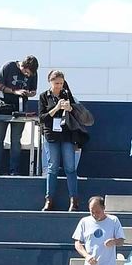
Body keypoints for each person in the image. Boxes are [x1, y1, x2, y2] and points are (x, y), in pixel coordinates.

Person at [38, 70, 85, 211]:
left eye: (61, 83)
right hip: (51, 135)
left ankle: (74, 200)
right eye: (56, 83)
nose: (59, 86)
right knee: (52, 167)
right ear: (50, 82)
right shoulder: (44, 96)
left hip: (66, 134)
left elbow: (76, 113)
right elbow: (42, 118)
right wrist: (56, 108)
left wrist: (69, 108)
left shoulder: (66, 94)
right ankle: (49, 199)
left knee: (70, 167)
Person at [0, 55, 39, 175]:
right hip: (3, 106)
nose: (28, 75)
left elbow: (34, 91)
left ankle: (14, 170)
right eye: (26, 72)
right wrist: (14, 91)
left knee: (16, 140)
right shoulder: (9, 66)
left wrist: (28, 93)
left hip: (20, 108)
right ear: (22, 66)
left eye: (30, 74)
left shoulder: (33, 73)